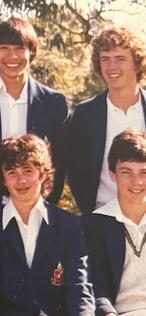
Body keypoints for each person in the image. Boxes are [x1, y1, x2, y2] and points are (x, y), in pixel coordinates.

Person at [0, 134, 104, 316]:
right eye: (12, 172)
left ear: (43, 173)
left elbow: (79, 283)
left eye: (28, 170)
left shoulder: (69, 225)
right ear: (3, 179)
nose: (21, 180)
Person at [0, 18, 68, 213]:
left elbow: (58, 167)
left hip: (36, 212)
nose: (12, 56)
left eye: (20, 48)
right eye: (4, 48)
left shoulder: (54, 103)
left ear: (31, 52)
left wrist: (42, 207)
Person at [67, 27, 146, 213]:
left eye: (120, 59)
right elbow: (76, 172)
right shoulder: (85, 114)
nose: (112, 67)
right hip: (102, 217)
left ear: (136, 63)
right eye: (105, 59)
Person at [84, 130, 146, 316]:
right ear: (112, 175)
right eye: (126, 172)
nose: (137, 182)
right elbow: (92, 284)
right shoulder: (94, 224)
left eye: (144, 173)